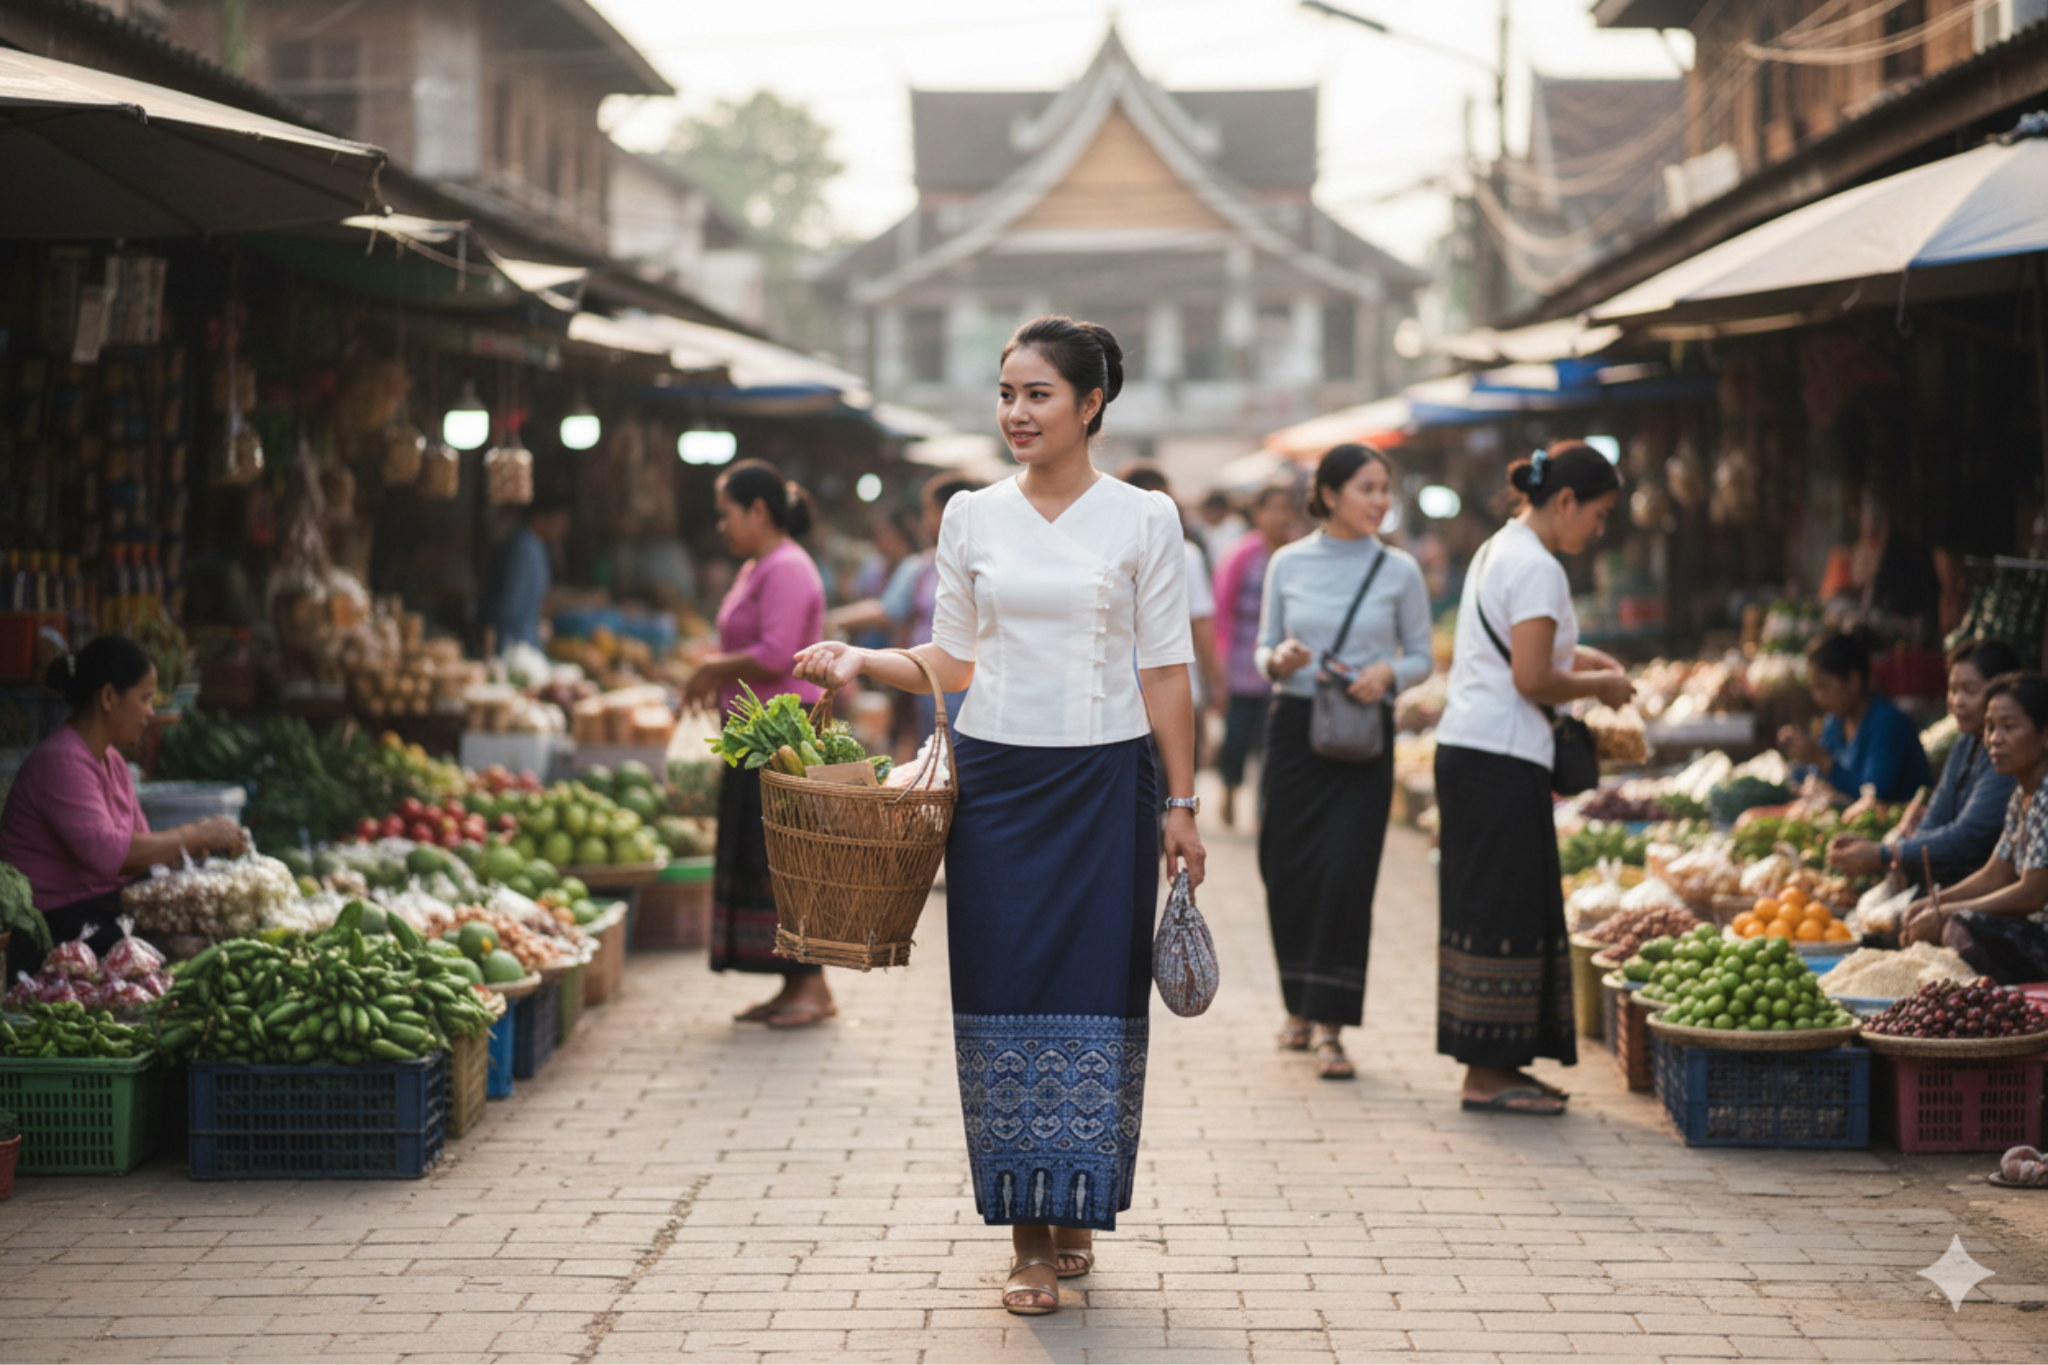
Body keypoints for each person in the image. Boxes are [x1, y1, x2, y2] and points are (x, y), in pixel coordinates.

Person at [792, 315, 1202, 1318]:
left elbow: (1163, 670)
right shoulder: (971, 516)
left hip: (1108, 789)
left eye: (1038, 395)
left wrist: (1182, 801)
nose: (1016, 413)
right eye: (1006, 394)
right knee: (1004, 997)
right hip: (998, 790)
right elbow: (951, 661)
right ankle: (1025, 1236)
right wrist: (863, 661)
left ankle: (1076, 1206)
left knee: (1099, 1001)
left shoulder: (1143, 520)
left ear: (1091, 402)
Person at [1434, 442, 1633, 1116]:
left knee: (1495, 905)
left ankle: (1499, 1063)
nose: (1598, 530)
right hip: (1499, 755)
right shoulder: (1538, 565)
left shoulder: (1501, 548)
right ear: (1566, 501)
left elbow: (1530, 649)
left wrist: (1585, 657)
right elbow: (1533, 677)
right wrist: (1600, 686)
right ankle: (1486, 1073)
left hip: (1476, 749)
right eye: (1599, 515)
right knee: (1502, 909)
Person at [1254, 446, 1432, 1080]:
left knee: (1347, 875)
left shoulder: (1399, 569)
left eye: (1385, 488)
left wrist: (1388, 672)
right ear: (1329, 495)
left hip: (1363, 731)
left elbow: (1422, 656)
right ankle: (1296, 1006)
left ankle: (1331, 1026)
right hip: (1295, 728)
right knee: (1284, 866)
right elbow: (1264, 646)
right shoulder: (1288, 562)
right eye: (1368, 488)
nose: (1381, 500)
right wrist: (1280, 661)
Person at [682, 462, 834, 1029]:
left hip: (781, 739)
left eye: (726, 514)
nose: (720, 526)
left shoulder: (788, 567)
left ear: (759, 512)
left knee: (784, 864)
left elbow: (776, 653)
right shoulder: (758, 566)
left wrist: (710, 669)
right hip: (753, 736)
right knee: (759, 861)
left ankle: (812, 986)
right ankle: (791, 982)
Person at [0, 637, 246, 980]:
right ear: (108, 697)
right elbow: (110, 855)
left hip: (99, 914)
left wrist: (207, 845)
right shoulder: (61, 761)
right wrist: (195, 833)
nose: (151, 711)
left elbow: (143, 848)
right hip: (54, 929)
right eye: (145, 698)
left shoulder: (112, 762)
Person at [1826, 639, 2022, 887]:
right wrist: (1894, 851)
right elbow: (1937, 816)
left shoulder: (2007, 757)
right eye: (1953, 690)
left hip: (1981, 885)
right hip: (1958, 879)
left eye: (1969, 691)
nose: (1956, 701)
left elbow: (1968, 836)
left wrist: (1886, 855)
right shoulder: (1965, 743)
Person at [1900, 671, 2048, 983]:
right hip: (2035, 931)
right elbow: (1996, 874)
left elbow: (2033, 893)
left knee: (1960, 925)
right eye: (1990, 727)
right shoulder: (2022, 795)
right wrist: (1934, 902)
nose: (1994, 739)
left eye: (2009, 727)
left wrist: (1948, 912)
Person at [1210, 484, 1299, 827]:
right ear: (1258, 513)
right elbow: (1222, 612)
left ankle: (1265, 810)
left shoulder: (1294, 554)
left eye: (1285, 507)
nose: (1279, 515)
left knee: (1270, 743)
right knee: (1236, 739)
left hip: (1281, 668)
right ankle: (1230, 790)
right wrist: (1218, 668)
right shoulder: (1241, 555)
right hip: (1240, 665)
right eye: (1272, 508)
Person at [1121, 463, 1216, 761]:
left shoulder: (1185, 554)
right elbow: (1201, 625)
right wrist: (1214, 681)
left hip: (1132, 697)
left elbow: (1201, 625)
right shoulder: (1186, 553)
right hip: (1157, 694)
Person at [1776, 632, 1932, 804]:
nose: (1817, 697)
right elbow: (1819, 778)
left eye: (1824, 687)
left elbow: (1872, 796)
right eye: (1813, 689)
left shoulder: (1888, 724)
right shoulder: (1834, 723)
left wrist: (1822, 759)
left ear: (1853, 681)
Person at [483, 499, 570, 653]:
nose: (561, 530)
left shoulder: (536, 547)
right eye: (558, 522)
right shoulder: (523, 548)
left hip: (526, 642)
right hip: (513, 644)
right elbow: (510, 606)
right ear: (540, 518)